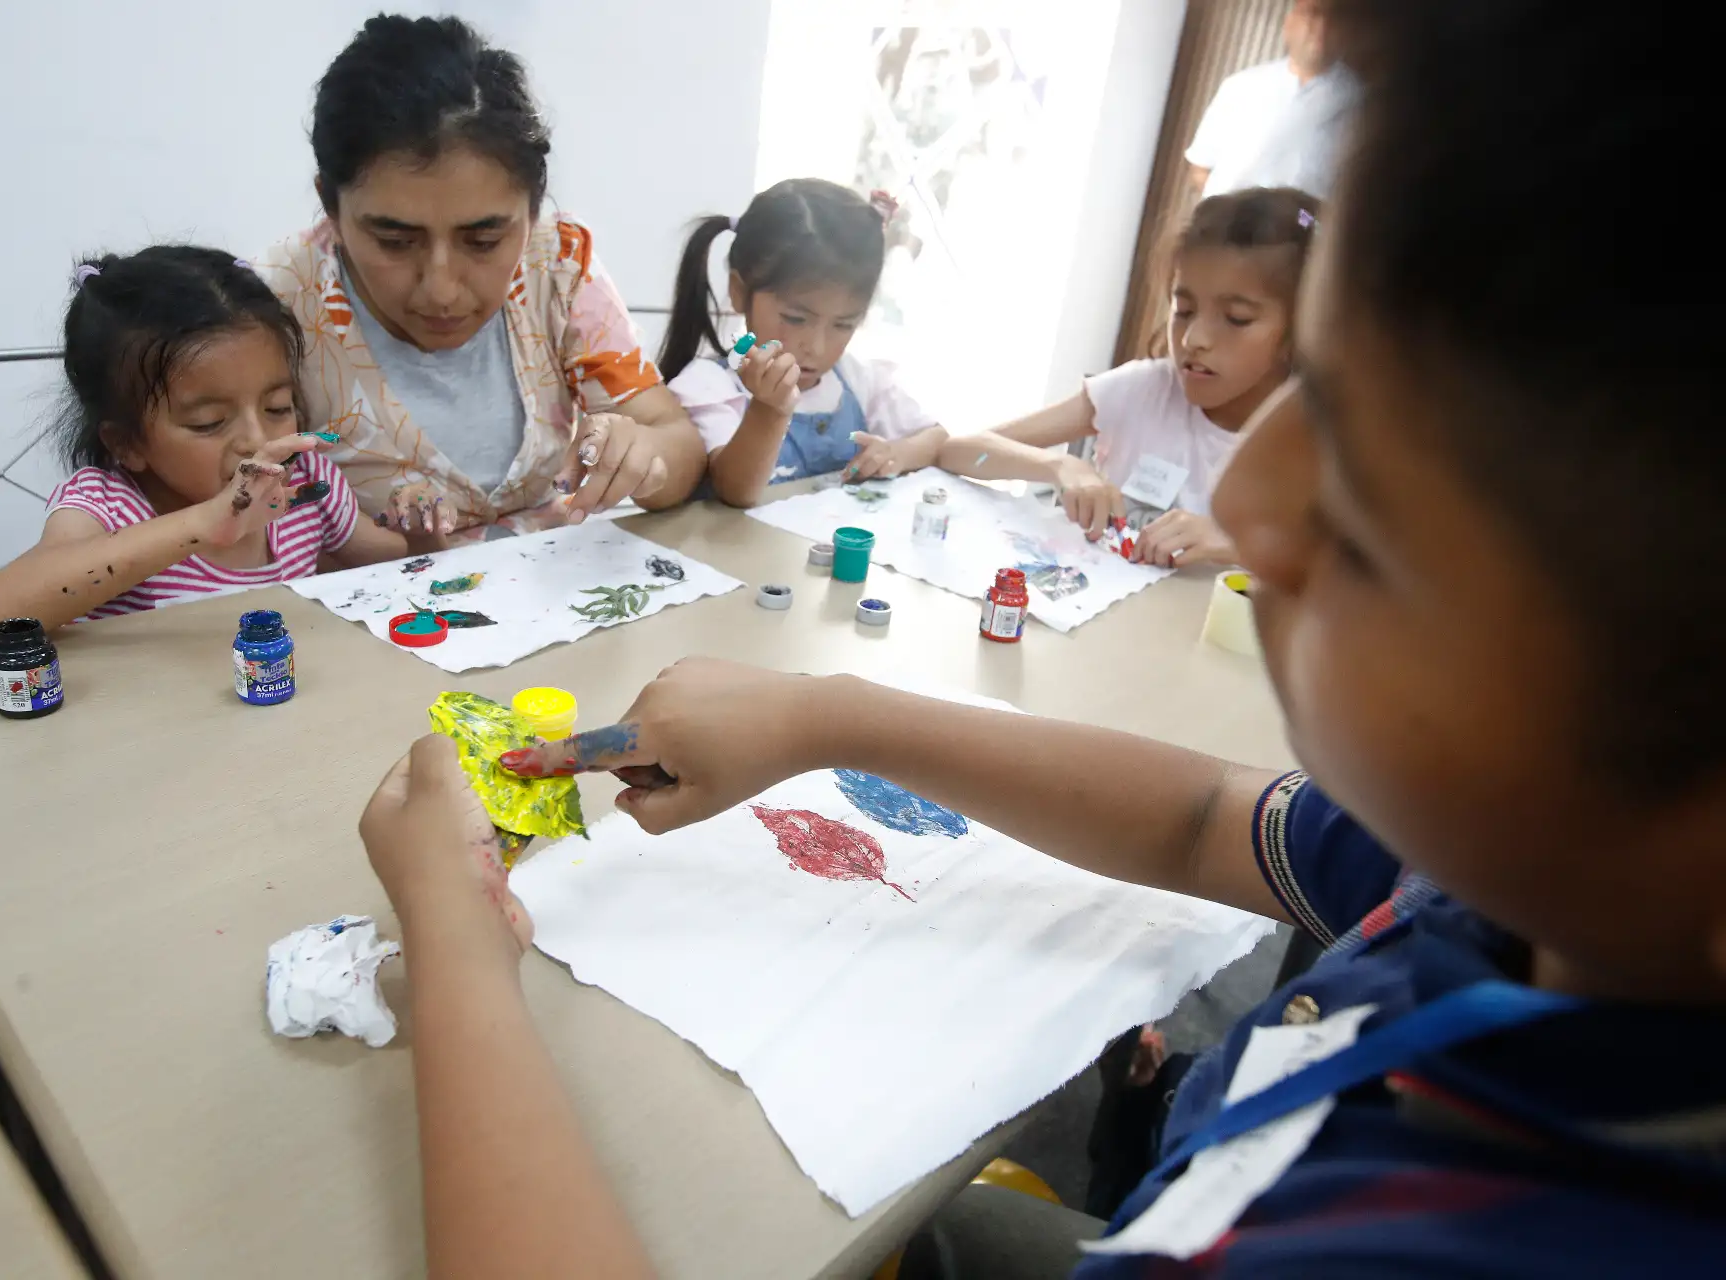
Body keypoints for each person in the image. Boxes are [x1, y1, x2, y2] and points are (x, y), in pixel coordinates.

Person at [358, 0, 1722, 1273]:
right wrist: (824, 716)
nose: (1253, 496)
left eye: (1374, 443)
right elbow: (1209, 816)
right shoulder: (1506, 878)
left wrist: (457, 961)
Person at [253, 15, 705, 548]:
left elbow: (676, 440)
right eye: (395, 241)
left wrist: (642, 458)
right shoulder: (270, 307)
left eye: (484, 241)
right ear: (330, 206)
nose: (441, 290)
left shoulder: (556, 265)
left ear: (533, 211)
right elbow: (228, 526)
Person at [0, 247, 406, 636]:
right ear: (126, 443)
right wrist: (203, 524)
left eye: (276, 407)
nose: (257, 439)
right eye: (208, 423)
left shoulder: (304, 484)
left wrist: (420, 533)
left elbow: (396, 564)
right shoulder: (109, 507)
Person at [938, 187, 1317, 568]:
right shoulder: (1143, 390)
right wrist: (1059, 467)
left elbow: (1342, 573)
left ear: (1302, 328)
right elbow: (962, 452)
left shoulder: (1317, 442)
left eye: (1236, 319)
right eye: (1183, 310)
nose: (1193, 339)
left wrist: (1237, 545)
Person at [659, 180, 948, 508]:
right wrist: (769, 408)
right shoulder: (709, 387)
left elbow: (937, 437)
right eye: (796, 319)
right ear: (739, 291)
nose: (817, 347)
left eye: (843, 325)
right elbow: (736, 491)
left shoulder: (858, 380)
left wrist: (896, 453)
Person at [1185, 0, 1350, 200]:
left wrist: (1305, 219)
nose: (1321, 27)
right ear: (1289, 24)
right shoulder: (1240, 86)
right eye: (1312, 14)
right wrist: (1221, 206)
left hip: (1301, 218)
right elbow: (1200, 166)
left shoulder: (1360, 106)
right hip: (1225, 213)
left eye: (1333, 18)